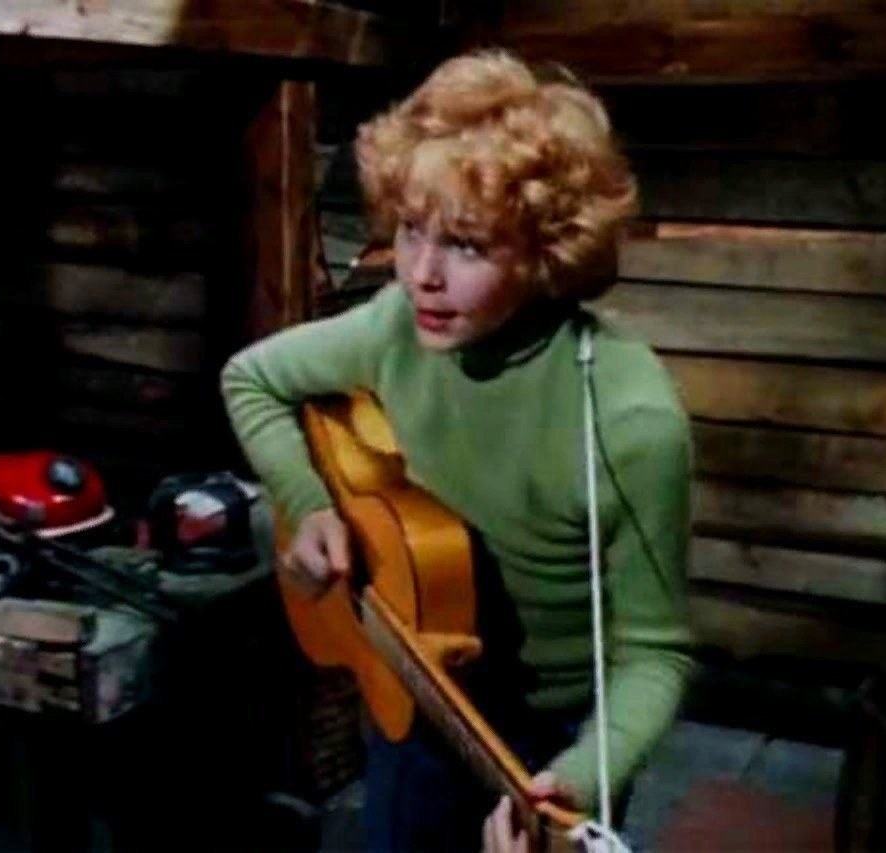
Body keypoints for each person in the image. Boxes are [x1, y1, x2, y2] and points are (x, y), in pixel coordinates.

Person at [221, 49, 693, 853]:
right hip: (416, 692)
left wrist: (579, 780)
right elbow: (251, 378)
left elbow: (656, 656)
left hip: (561, 739)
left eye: (468, 245)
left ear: (547, 247)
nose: (421, 276)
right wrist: (309, 507)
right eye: (412, 230)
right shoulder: (394, 326)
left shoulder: (632, 420)